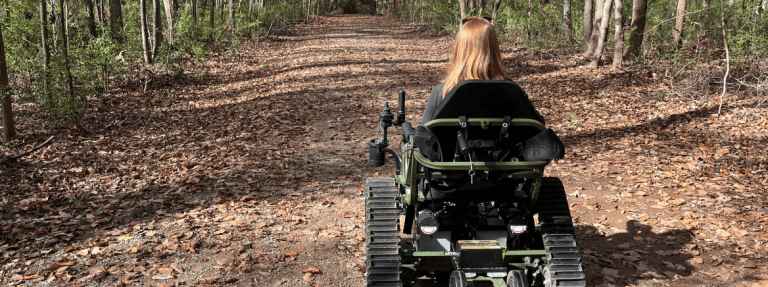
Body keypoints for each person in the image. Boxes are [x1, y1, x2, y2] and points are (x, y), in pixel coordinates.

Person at [421, 16, 542, 124]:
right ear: (494, 51)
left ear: (459, 51)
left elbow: (422, 140)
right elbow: (537, 127)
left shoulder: (442, 93)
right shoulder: (512, 91)